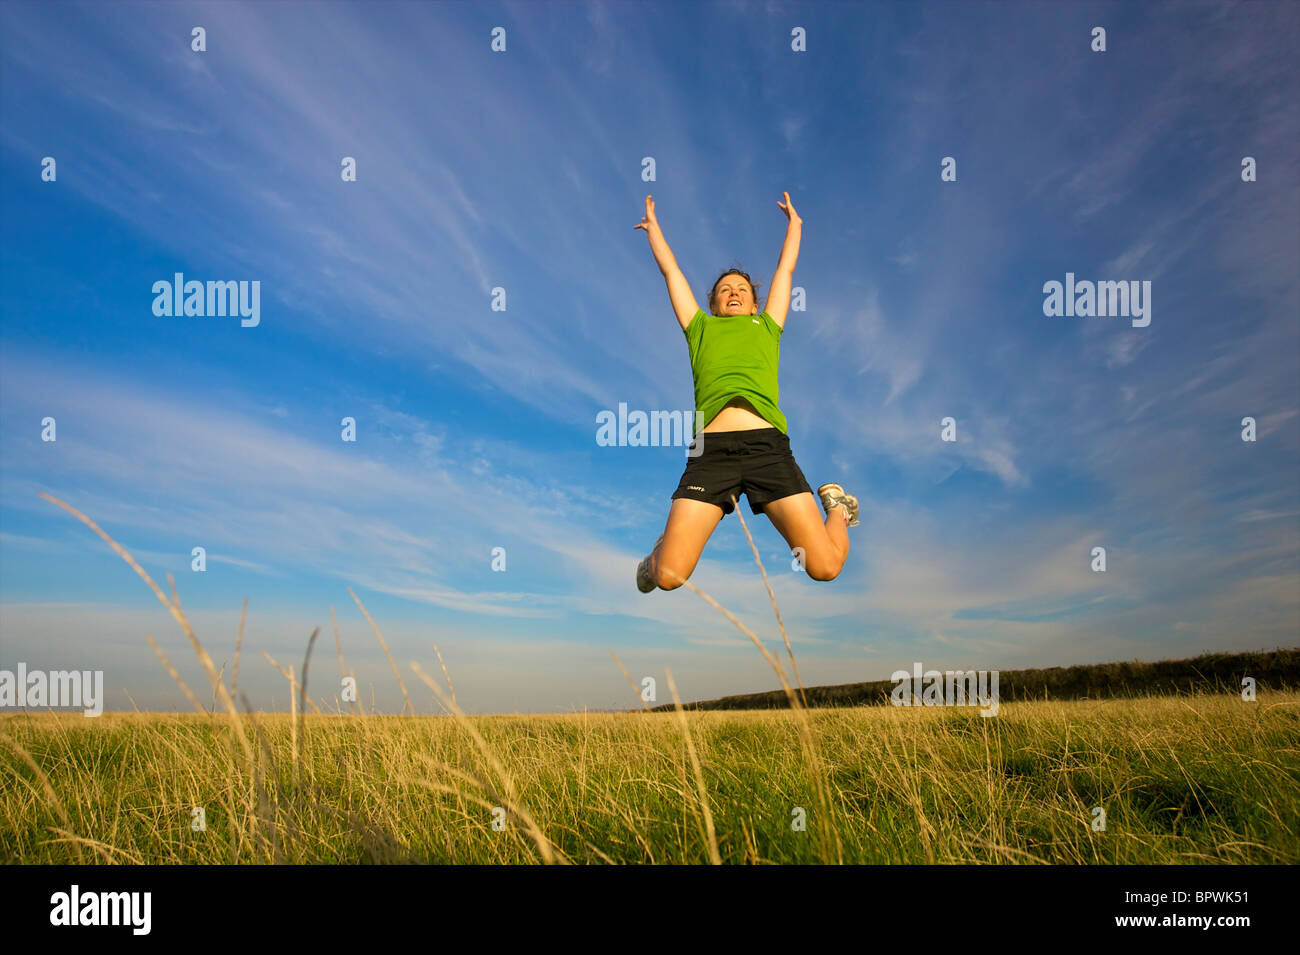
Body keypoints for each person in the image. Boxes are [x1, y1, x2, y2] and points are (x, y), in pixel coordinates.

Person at [633, 192, 859, 593]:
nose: (733, 292)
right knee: (669, 577)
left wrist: (796, 225)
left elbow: (786, 270)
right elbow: (672, 273)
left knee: (825, 567)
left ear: (756, 304)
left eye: (741, 288)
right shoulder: (699, 328)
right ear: (714, 304)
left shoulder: (767, 327)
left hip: (767, 451)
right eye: (724, 289)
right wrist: (655, 230)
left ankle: (838, 511)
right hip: (711, 456)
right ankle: (656, 559)